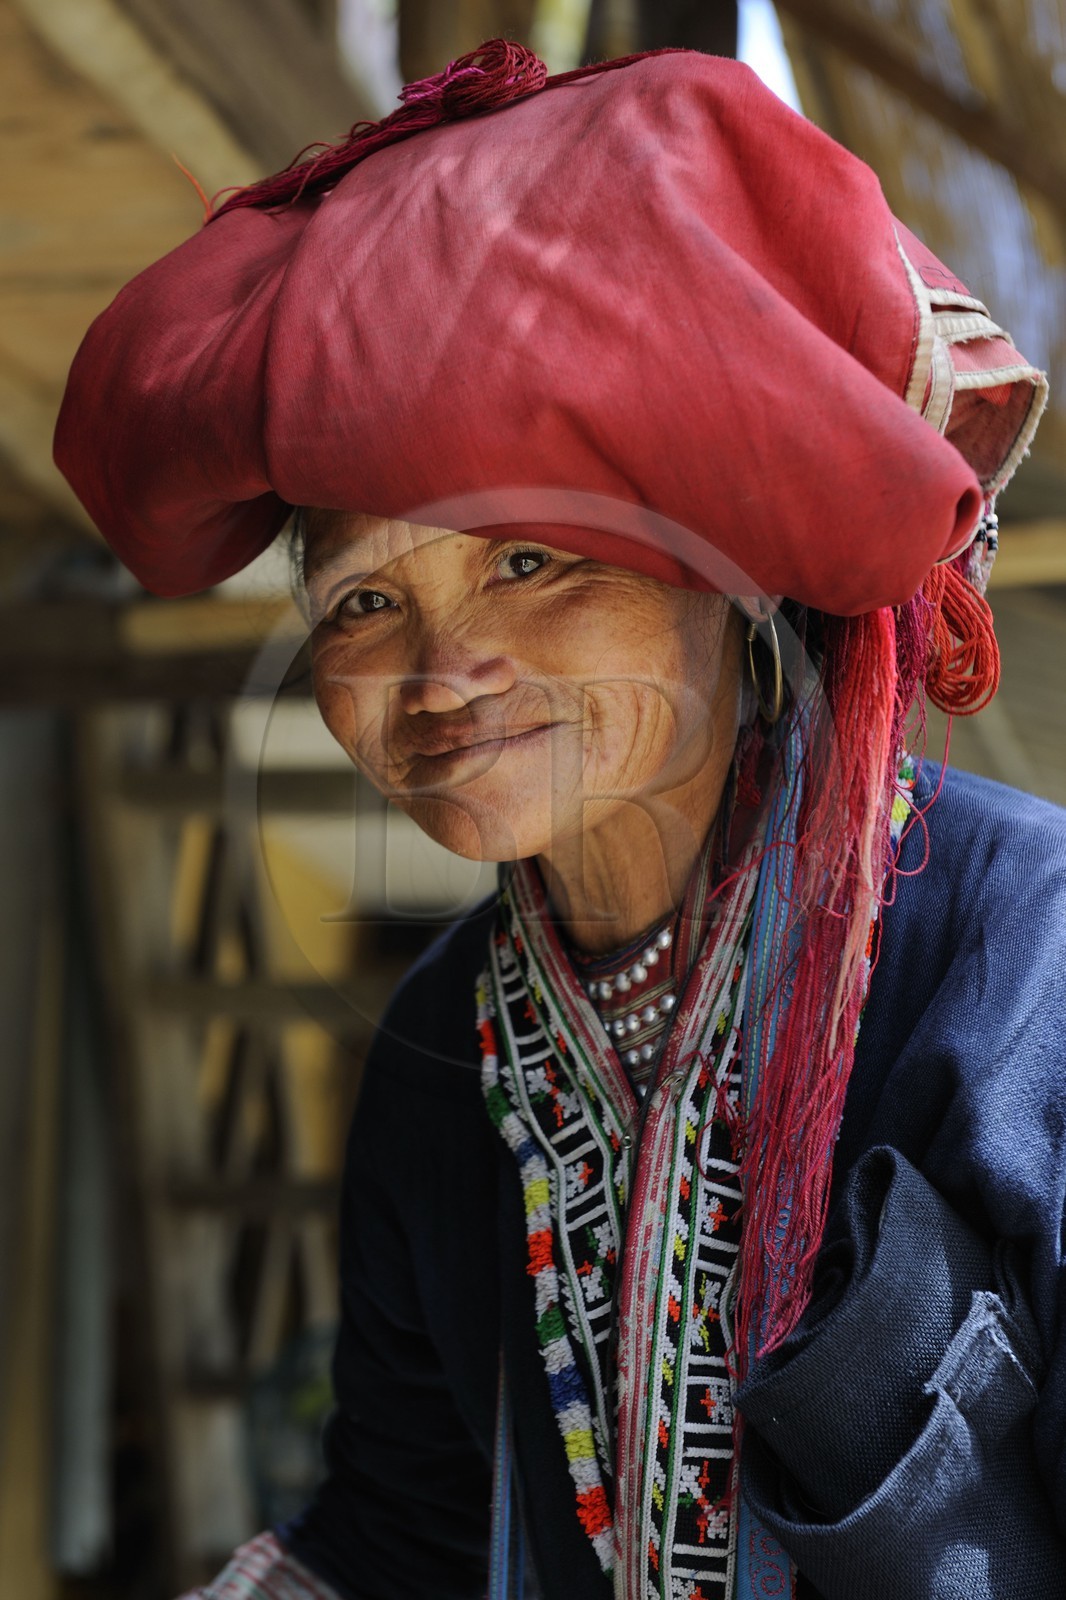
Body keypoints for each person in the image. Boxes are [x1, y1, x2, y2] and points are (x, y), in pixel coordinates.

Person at [53, 37, 1066, 1600]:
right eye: (364, 602)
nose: (444, 673)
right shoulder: (439, 1052)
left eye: (530, 563)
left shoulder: (1025, 952)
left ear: (721, 575)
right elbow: (405, 1530)